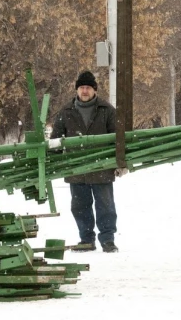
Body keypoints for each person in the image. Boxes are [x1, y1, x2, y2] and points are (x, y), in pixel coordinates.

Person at [51, 71, 126, 253]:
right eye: (82, 88)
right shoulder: (66, 112)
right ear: (77, 90)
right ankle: (86, 239)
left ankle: (107, 240)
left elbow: (118, 138)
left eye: (88, 88)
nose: (85, 91)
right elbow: (55, 139)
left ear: (94, 90)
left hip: (102, 167)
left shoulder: (106, 111)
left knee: (106, 206)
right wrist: (54, 160)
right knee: (79, 206)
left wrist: (120, 162)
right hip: (76, 169)